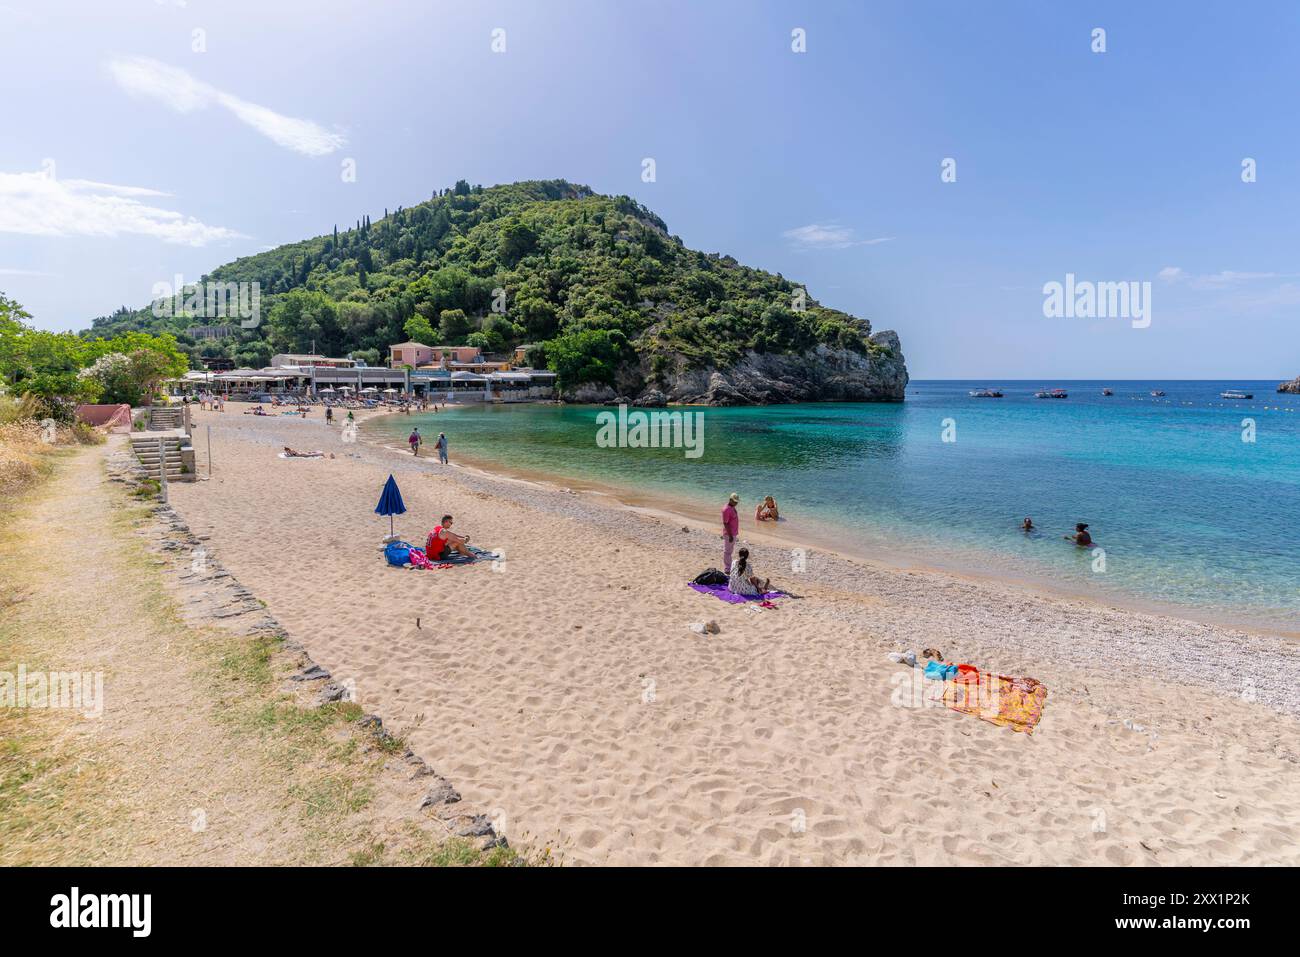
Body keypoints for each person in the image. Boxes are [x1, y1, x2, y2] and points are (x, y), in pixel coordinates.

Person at [721, 493, 740, 571]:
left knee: (730, 550)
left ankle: (729, 566)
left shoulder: (732, 507)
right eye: (734, 501)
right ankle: (727, 568)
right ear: (730, 500)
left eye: (737, 502)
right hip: (730, 533)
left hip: (733, 533)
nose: (736, 503)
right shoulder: (726, 509)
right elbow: (725, 523)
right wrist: (730, 535)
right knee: (727, 551)